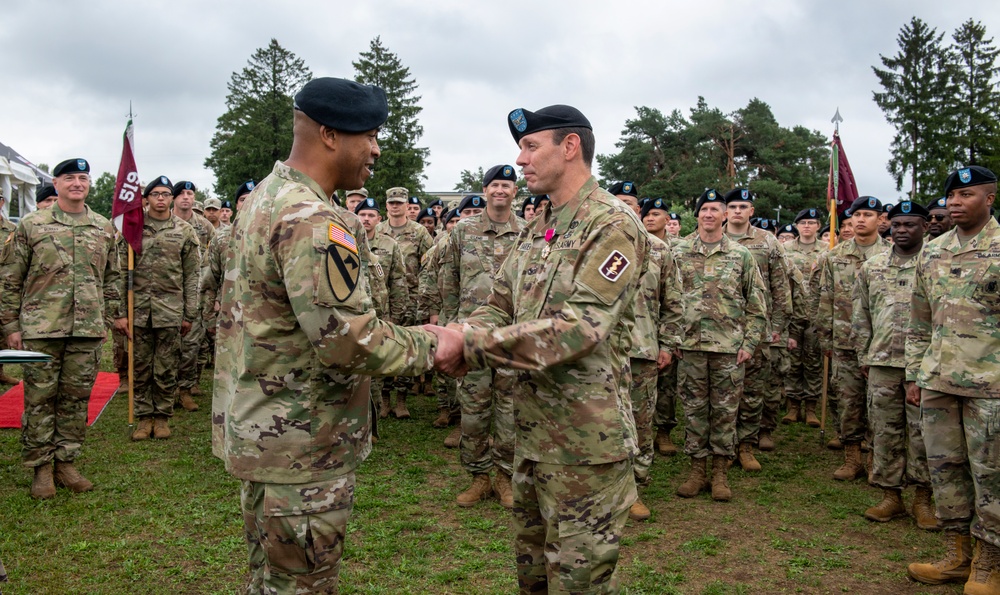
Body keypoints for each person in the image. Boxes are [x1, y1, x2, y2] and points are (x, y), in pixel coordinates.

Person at [214, 77, 460, 593]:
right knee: (301, 584)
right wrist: (436, 344)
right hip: (303, 447)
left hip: (265, 435)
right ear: (330, 135)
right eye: (368, 135)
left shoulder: (263, 198)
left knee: (270, 580)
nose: (375, 148)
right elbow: (348, 341)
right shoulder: (314, 219)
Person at [456, 105, 646, 593]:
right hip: (533, 436)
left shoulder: (612, 225)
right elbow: (497, 303)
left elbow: (578, 331)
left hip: (586, 447)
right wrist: (459, 334)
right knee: (534, 576)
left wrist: (467, 346)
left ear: (569, 147)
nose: (520, 160)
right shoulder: (539, 226)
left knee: (579, 582)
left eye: (530, 146)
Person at [0, 158, 122, 499]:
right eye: (70, 177)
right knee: (39, 399)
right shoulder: (32, 225)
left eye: (83, 178)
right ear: (56, 183)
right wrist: (11, 324)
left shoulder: (102, 227)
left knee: (75, 398)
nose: (77, 183)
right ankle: (41, 468)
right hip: (41, 328)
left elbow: (113, 277)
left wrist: (107, 317)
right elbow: (10, 279)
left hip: (87, 329)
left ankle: (66, 462)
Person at [906, 166, 1000, 591]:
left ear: (990, 198)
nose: (956, 203)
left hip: (991, 386)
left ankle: (989, 562)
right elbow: (919, 321)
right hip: (938, 381)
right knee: (945, 471)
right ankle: (957, 555)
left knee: (991, 474)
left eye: (966, 195)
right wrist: (914, 374)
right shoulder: (933, 250)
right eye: (951, 197)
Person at [439, 165, 525, 509]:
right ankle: (479, 477)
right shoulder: (464, 231)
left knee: (509, 409)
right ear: (485, 190)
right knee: (473, 409)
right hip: (470, 333)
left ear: (515, 192)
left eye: (507, 185)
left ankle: (505, 476)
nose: (500, 190)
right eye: (494, 185)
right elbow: (449, 278)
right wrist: (449, 324)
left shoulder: (529, 231)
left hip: (511, 335)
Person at [674, 189, 767, 502]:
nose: (709, 215)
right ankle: (696, 470)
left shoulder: (740, 255)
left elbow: (757, 304)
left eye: (715, 210)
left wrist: (750, 343)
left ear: (725, 215)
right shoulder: (680, 250)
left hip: (729, 349)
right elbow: (668, 299)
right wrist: (672, 336)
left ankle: (720, 472)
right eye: (704, 210)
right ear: (697, 214)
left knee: (726, 413)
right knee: (694, 411)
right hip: (690, 346)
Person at [851, 200, 936, 529]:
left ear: (925, 226)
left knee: (923, 433)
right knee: (885, 431)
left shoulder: (934, 261)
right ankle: (891, 495)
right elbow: (861, 316)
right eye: (897, 225)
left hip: (926, 367)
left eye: (910, 225)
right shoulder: (873, 266)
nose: (902, 231)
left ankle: (923, 498)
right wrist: (864, 356)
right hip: (883, 361)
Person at [612, 186, 683, 521]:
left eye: (630, 205)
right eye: (619, 204)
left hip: (642, 350)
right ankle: (605, 487)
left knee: (640, 421)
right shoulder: (595, 244)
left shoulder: (658, 249)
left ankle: (636, 487)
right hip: (601, 350)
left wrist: (668, 344)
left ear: (638, 209)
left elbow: (673, 302)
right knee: (602, 420)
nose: (624, 209)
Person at [817, 196, 890, 479]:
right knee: (848, 401)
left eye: (868, 214)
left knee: (878, 404)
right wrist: (825, 338)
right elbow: (825, 297)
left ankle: (874, 457)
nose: (861, 220)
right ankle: (852, 457)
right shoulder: (834, 256)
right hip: (844, 341)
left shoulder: (890, 255)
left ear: (881, 219)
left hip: (880, 344)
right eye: (856, 214)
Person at [126, 176, 201, 438]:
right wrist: (121, 312)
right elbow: (121, 272)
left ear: (171, 198)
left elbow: (192, 275)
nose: (161, 198)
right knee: (142, 366)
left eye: (165, 194)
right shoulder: (133, 229)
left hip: (170, 311)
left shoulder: (184, 231)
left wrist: (190, 312)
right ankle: (144, 418)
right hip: (140, 311)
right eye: (155, 194)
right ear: (146, 199)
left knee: (166, 366)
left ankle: (162, 417)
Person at [723, 188, 792, 469]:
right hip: (722, 328)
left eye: (743, 206)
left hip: (757, 327)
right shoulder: (712, 237)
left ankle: (746, 446)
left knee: (752, 391)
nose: (737, 211)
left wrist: (777, 326)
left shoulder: (768, 241)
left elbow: (780, 285)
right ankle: (723, 448)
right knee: (723, 393)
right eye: (733, 206)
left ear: (752, 211)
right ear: (725, 211)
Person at [375, 186, 434, 418]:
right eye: (392, 203)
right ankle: (384, 399)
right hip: (382, 301)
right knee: (383, 349)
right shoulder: (377, 231)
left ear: (406, 204)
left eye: (400, 202)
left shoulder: (419, 232)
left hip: (410, 299)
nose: (396, 206)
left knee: (405, 350)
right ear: (387, 205)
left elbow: (430, 262)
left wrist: (423, 292)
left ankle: (401, 400)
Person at [783, 208, 826, 427]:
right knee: (792, 361)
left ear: (818, 226)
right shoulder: (785, 250)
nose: (807, 226)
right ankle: (792, 406)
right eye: (803, 223)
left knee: (813, 363)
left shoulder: (827, 250)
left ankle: (811, 407)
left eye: (811, 222)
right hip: (793, 314)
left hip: (816, 316)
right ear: (797, 226)